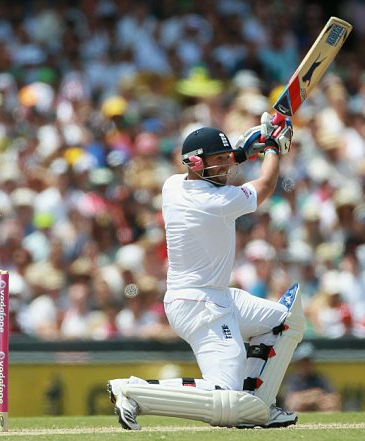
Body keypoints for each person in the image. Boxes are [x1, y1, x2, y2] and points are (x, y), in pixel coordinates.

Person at [107, 113, 306, 429]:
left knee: (285, 321)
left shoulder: (173, 185)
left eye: (226, 159)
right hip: (201, 307)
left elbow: (216, 168)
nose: (227, 167)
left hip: (217, 298)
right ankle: (133, 391)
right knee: (225, 395)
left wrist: (243, 150)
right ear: (197, 164)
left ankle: (259, 406)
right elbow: (266, 186)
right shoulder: (216, 201)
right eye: (218, 161)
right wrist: (272, 148)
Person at [283, 342, 341, 412]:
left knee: (330, 406)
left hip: (318, 415)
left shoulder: (320, 378)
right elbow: (292, 403)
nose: (306, 364)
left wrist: (308, 399)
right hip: (296, 420)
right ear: (297, 363)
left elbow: (334, 399)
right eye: (303, 361)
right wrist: (314, 395)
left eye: (308, 361)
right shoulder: (292, 379)